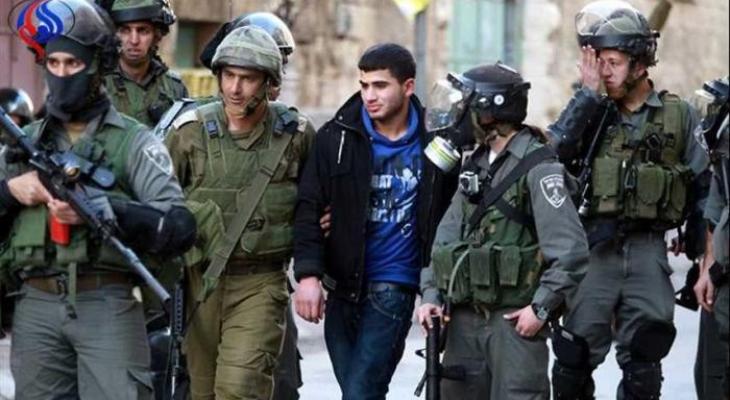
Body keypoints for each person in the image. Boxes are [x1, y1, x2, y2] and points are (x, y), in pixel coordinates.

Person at [0, 1, 196, 398]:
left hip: (107, 300)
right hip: (35, 302)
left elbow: (179, 226)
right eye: (53, 63)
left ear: (96, 67)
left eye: (73, 64)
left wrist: (109, 210)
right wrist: (11, 192)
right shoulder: (26, 143)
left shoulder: (134, 141)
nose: (61, 74)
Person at [547, 1, 709, 398]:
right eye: (598, 62)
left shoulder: (679, 115)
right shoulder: (589, 109)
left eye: (614, 62)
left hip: (648, 249)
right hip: (593, 248)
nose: (604, 72)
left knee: (645, 358)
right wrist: (586, 99)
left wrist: (701, 255)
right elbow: (552, 157)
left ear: (640, 65)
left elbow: (705, 186)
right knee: (573, 357)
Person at [414, 62, 589, 399]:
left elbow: (570, 252)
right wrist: (432, 295)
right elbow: (446, 239)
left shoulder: (539, 168)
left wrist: (540, 309)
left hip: (512, 324)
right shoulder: (476, 164)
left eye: (464, 107)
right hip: (464, 321)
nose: (457, 116)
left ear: (489, 113)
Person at [293, 43, 458, 399]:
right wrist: (308, 276)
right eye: (364, 85)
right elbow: (308, 208)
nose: (369, 95)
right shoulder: (336, 136)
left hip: (395, 284)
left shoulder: (436, 141)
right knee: (359, 392)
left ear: (408, 86)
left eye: (380, 85)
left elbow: (452, 212)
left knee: (360, 393)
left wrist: (436, 288)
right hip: (341, 286)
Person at [164, 25, 316, 400]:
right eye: (229, 75)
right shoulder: (188, 133)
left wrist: (313, 269)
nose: (235, 88)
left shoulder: (295, 134)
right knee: (201, 391)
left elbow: (315, 204)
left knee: (239, 389)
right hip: (200, 283)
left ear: (268, 82)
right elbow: (159, 203)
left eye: (247, 78)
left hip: (260, 281)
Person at [693, 76, 730, 399]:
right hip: (721, 281)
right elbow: (716, 212)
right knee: (710, 376)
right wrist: (709, 267)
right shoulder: (724, 159)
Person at [104, 0, 188, 126]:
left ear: (156, 36)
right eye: (125, 30)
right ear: (115, 35)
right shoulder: (98, 84)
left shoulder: (174, 88)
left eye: (143, 31)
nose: (134, 40)